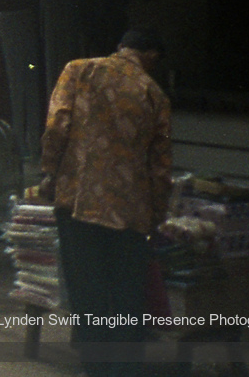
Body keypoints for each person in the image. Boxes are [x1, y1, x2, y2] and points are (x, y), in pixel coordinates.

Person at [40, 28, 172, 377]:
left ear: (120, 48)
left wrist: (49, 175)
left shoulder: (78, 70)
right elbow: (160, 167)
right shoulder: (154, 93)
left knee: (87, 292)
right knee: (127, 296)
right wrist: (157, 214)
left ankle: (95, 368)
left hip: (77, 202)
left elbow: (57, 126)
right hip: (130, 212)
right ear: (152, 56)